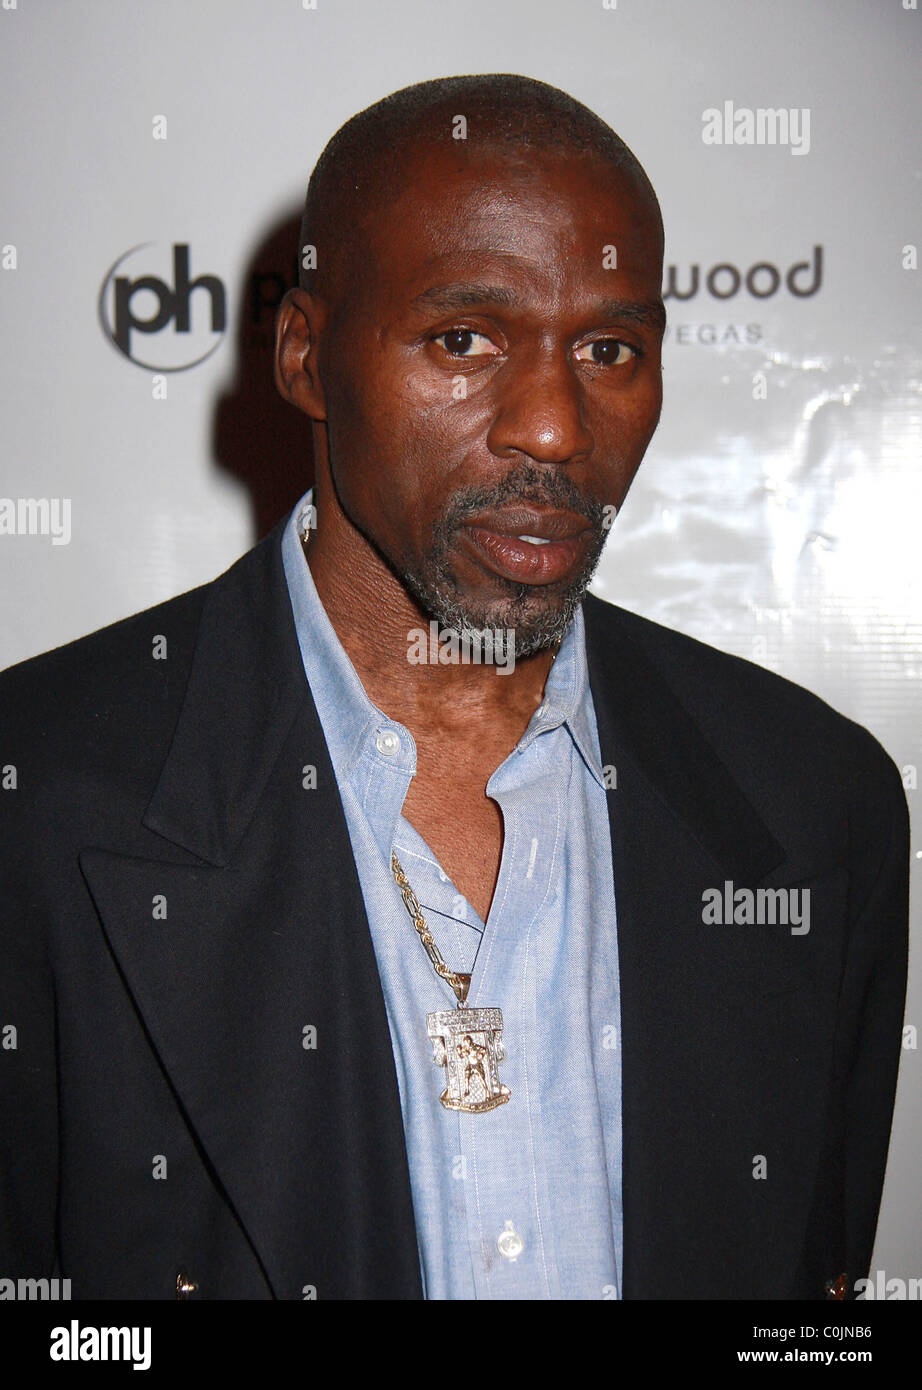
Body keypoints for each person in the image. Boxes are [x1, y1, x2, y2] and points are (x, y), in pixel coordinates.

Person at [0, 74, 908, 1301]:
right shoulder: (37, 799)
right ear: (306, 356)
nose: (551, 424)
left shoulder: (816, 804)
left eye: (608, 348)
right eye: (464, 339)